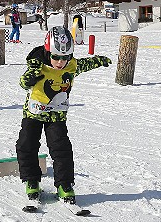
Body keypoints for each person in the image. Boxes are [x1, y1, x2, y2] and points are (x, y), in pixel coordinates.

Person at [16, 26, 112, 206]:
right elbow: (23, 82)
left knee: (62, 149)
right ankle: (31, 180)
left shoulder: (72, 65)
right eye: (56, 57)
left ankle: (65, 184)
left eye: (65, 57)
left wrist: (99, 60)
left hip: (57, 115)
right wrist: (29, 78)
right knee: (26, 145)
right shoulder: (37, 65)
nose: (60, 62)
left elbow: (85, 64)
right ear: (47, 52)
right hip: (34, 113)